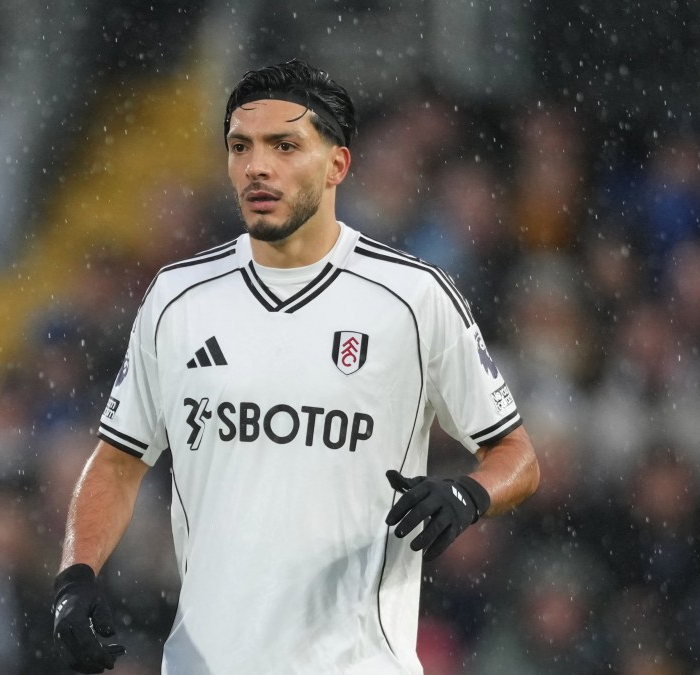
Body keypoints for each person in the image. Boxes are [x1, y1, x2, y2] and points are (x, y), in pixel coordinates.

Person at [53, 59, 540, 674]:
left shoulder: (413, 298)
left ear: (338, 164)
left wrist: (468, 495)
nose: (258, 165)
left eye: (285, 145)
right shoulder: (176, 300)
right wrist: (75, 575)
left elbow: (517, 456)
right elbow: (119, 463)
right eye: (240, 147)